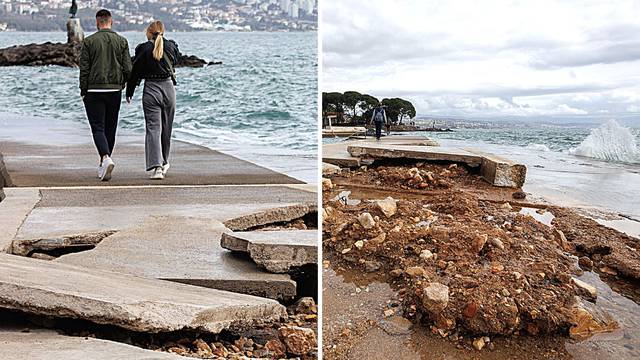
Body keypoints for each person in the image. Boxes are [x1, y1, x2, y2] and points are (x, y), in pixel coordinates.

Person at [79, 9, 132, 181]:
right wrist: (123, 84)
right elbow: (128, 69)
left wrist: (83, 90)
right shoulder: (122, 41)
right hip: (114, 90)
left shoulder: (88, 42)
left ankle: (105, 157)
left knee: (98, 127)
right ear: (112, 22)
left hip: (94, 90)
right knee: (110, 127)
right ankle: (105, 161)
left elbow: (84, 69)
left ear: (97, 23)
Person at [126, 20, 181, 180]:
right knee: (166, 128)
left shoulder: (143, 48)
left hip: (151, 89)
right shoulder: (171, 46)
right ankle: (165, 161)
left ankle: (157, 167)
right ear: (163, 32)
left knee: (153, 128)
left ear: (149, 32)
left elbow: (135, 71)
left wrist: (130, 90)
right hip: (169, 88)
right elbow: (177, 60)